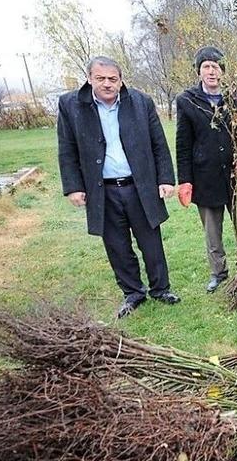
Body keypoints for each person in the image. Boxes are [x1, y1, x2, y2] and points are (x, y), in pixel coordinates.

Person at [58, 55, 180, 318]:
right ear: (89, 79)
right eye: (100, 78)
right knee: (117, 245)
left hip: (139, 186)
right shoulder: (71, 105)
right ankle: (133, 292)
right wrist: (73, 186)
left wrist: (165, 179)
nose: (107, 84)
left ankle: (161, 289)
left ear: (121, 80)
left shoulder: (140, 102)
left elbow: (159, 143)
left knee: (151, 241)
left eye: (113, 79)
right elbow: (66, 149)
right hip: (102, 190)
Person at [175, 46, 237, 293]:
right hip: (206, 178)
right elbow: (183, 145)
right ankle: (218, 272)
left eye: (216, 67)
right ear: (199, 71)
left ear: (222, 71)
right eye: (206, 67)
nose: (211, 71)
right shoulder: (187, 101)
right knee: (212, 231)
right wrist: (185, 181)